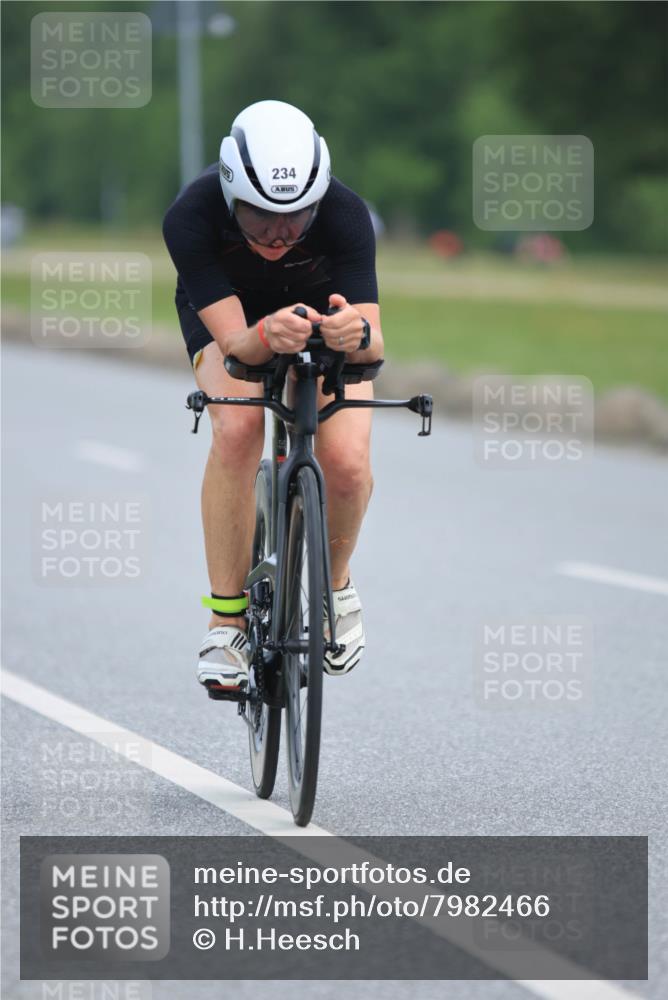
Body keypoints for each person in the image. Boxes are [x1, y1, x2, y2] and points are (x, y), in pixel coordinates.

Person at [163, 99, 384, 693]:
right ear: (232, 196)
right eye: (261, 218)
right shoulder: (190, 216)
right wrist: (262, 334)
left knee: (347, 461)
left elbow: (372, 339)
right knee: (237, 429)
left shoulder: (345, 214)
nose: (281, 234)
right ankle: (226, 619)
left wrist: (352, 333)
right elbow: (235, 345)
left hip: (318, 313)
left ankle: (335, 587)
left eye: (297, 217)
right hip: (232, 315)